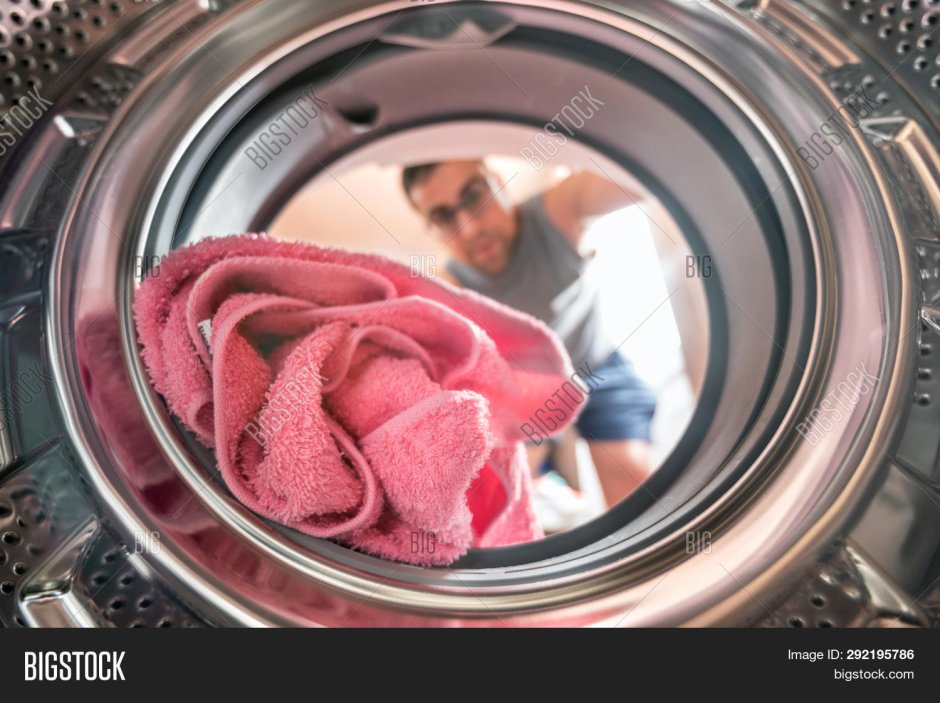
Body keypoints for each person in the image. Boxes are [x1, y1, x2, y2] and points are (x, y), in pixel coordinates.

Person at [401, 159, 658, 508]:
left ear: (498, 183)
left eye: (475, 196)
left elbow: (646, 165)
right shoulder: (450, 291)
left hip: (596, 367)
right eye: (444, 216)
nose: (470, 228)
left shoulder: (558, 212)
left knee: (637, 498)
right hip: (522, 393)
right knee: (504, 499)